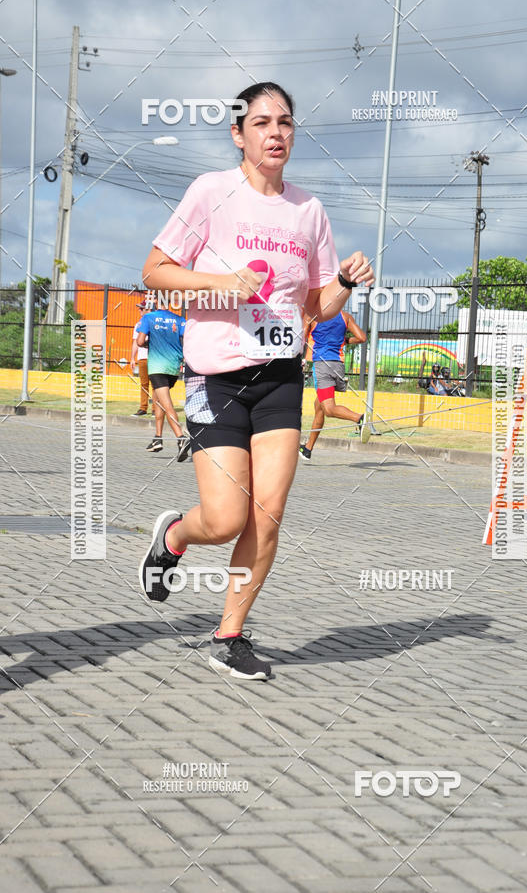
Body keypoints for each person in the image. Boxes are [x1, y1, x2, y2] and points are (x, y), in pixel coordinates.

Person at [138, 81, 374, 680]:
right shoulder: (211, 192)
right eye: (263, 123)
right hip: (215, 379)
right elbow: (156, 270)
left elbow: (316, 307)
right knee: (225, 520)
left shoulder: (308, 210)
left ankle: (231, 634)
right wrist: (221, 284)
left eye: (286, 123)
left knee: (266, 515)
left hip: (279, 378)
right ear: (239, 135)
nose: (276, 133)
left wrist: (344, 282)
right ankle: (174, 538)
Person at [299, 309, 368, 462]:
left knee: (329, 409)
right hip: (338, 365)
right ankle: (308, 449)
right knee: (319, 407)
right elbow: (362, 338)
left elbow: (301, 339)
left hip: (322, 365)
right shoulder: (345, 316)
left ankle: (360, 418)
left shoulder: (312, 315)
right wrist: (345, 341)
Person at [136, 296, 190, 461]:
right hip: (174, 366)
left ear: (156, 303)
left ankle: (181, 438)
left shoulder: (148, 317)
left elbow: (139, 341)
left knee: (166, 404)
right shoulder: (180, 320)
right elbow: (185, 341)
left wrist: (148, 344)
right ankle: (157, 438)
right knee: (158, 400)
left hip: (157, 366)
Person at [130, 300, 154, 417]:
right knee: (144, 383)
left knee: (156, 383)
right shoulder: (138, 324)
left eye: (141, 308)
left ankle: (156, 408)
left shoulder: (155, 322)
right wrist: (132, 358)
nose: (139, 310)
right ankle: (143, 408)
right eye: (140, 308)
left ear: (148, 310)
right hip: (142, 357)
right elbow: (135, 342)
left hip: (155, 357)